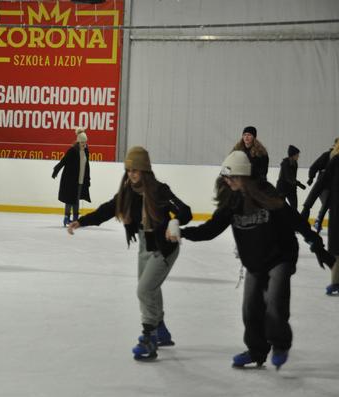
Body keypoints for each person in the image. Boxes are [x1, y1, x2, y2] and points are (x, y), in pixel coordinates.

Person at [177, 151, 332, 369]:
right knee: (250, 308)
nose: (228, 182)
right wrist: (183, 233)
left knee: (275, 305)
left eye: (232, 178)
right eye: (226, 178)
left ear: (243, 177)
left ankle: (280, 344)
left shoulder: (268, 196)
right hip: (255, 262)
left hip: (280, 257)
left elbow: (295, 220)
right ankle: (256, 350)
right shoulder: (232, 203)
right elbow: (210, 230)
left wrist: (316, 244)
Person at [67, 146, 192, 361]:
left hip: (165, 246)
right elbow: (107, 209)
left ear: (145, 170)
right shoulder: (127, 192)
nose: (132, 174)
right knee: (150, 287)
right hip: (145, 244)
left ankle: (149, 336)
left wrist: (174, 222)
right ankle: (161, 330)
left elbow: (184, 210)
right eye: (129, 170)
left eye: (136, 170)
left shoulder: (159, 191)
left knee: (144, 289)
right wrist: (83, 221)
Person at [301, 139, 339, 295]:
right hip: (337, 211)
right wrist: (307, 206)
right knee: (336, 250)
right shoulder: (335, 160)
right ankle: (336, 281)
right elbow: (321, 183)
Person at [52, 128, 91, 226]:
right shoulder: (72, 151)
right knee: (70, 200)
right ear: (78, 142)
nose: (84, 144)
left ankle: (75, 219)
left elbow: (87, 166)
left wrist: (88, 179)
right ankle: (66, 218)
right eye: (82, 142)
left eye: (85, 142)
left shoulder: (86, 151)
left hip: (80, 180)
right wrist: (56, 170)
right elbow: (63, 161)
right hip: (70, 180)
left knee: (76, 199)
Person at [305, 139, 338, 232]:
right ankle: (318, 222)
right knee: (328, 203)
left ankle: (318, 222)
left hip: (333, 188)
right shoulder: (326, 156)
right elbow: (314, 167)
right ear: (334, 145)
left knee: (331, 205)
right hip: (323, 187)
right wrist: (311, 177)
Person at [276, 145, 305, 210]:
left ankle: (292, 219)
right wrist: (299, 184)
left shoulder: (295, 163)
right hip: (282, 188)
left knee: (294, 207)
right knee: (280, 207)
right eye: (297, 155)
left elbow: (293, 177)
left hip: (291, 188)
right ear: (293, 155)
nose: (298, 156)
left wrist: (296, 184)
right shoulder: (285, 163)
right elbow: (288, 177)